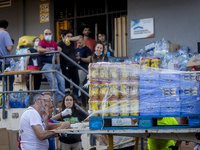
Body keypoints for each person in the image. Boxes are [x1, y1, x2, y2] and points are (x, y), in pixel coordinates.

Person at [37, 29, 65, 106]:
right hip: (45, 65)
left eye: (49, 33)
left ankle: (63, 100)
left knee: (62, 81)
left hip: (54, 65)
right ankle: (59, 100)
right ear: (44, 34)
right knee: (54, 82)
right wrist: (48, 50)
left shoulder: (54, 43)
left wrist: (58, 64)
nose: (48, 35)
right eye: (46, 33)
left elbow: (57, 55)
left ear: (52, 34)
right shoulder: (41, 42)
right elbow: (39, 49)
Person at [57, 30, 80, 104]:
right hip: (65, 65)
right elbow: (58, 53)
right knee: (66, 83)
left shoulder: (71, 42)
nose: (70, 38)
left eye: (71, 36)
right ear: (63, 36)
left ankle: (75, 96)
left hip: (73, 65)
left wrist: (69, 39)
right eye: (68, 36)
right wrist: (58, 64)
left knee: (76, 81)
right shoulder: (60, 43)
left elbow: (79, 38)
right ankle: (67, 98)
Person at [76, 36, 92, 107]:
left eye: (80, 42)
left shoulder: (87, 49)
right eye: (78, 42)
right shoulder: (76, 49)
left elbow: (89, 59)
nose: (79, 44)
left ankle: (80, 98)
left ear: (83, 41)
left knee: (80, 82)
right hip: (76, 68)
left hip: (83, 68)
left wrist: (80, 58)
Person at [0, 19, 14, 91]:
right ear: (7, 27)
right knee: (9, 81)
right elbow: (9, 48)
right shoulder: (5, 34)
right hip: (4, 62)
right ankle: (8, 100)